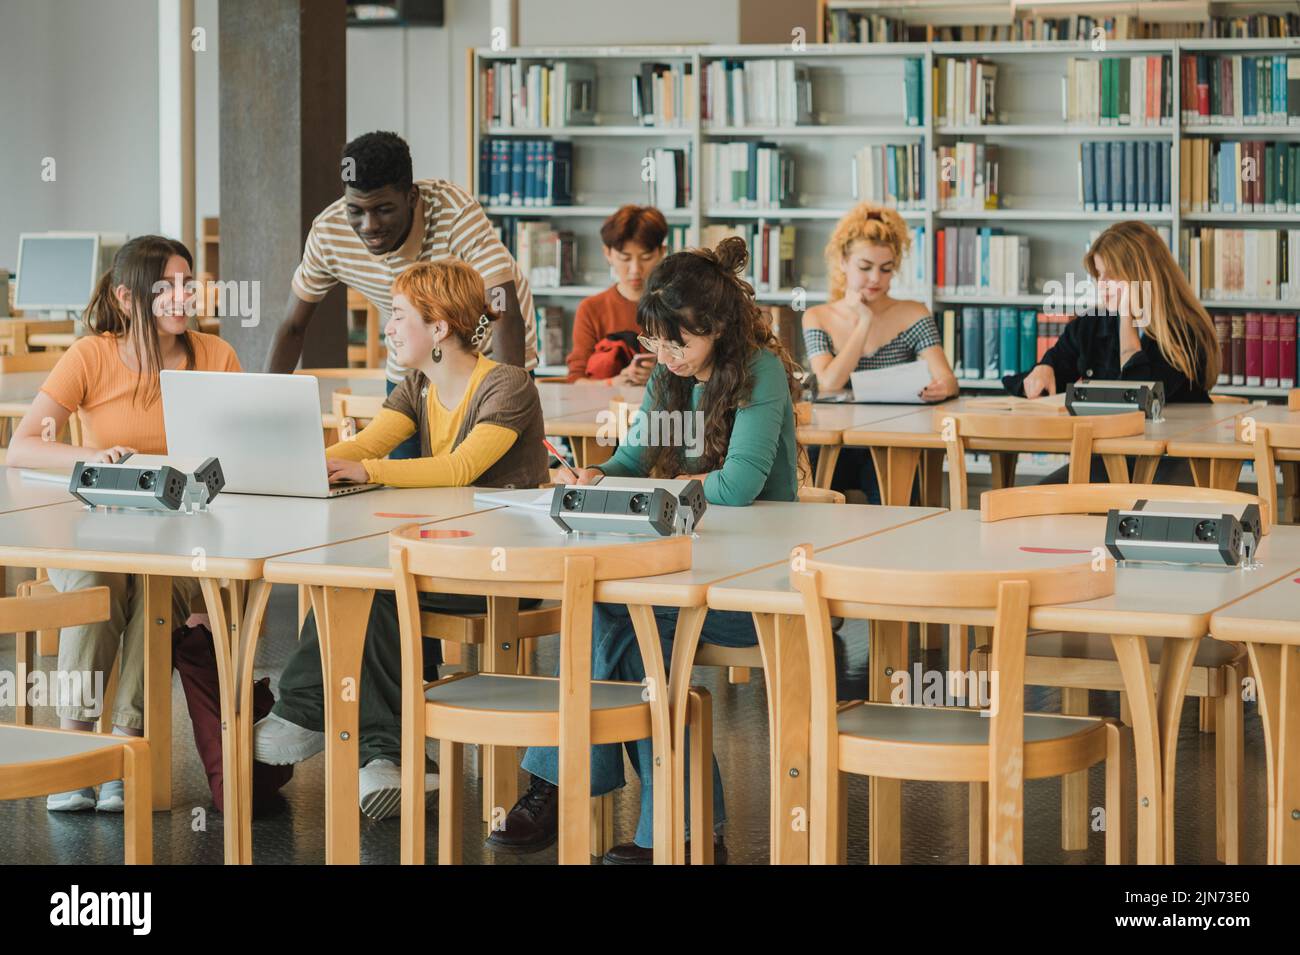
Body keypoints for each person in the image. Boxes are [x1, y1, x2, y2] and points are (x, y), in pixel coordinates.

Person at [488, 236, 801, 864]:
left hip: (758, 582)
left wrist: (644, 490)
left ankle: (555, 784)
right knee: (624, 625)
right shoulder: (669, 370)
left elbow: (738, 486)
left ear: (716, 327)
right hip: (684, 563)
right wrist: (599, 476)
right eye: (654, 340)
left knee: (613, 617)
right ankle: (684, 833)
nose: (663, 356)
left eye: (677, 342)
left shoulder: (760, 369)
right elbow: (633, 455)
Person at [253, 260, 549, 820]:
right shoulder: (418, 386)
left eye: (398, 315)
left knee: (380, 586)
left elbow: (460, 468)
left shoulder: (508, 384)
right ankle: (381, 757)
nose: (387, 328)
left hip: (504, 570)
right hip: (442, 561)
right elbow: (364, 446)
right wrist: (285, 468)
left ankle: (319, 719)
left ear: (439, 328)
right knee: (356, 579)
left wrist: (372, 473)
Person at [6, 235, 241, 812]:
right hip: (96, 535)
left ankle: (123, 750)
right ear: (128, 298)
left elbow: (238, 454)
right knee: (97, 584)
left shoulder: (216, 356)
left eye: (189, 283)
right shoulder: (92, 355)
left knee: (156, 595)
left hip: (182, 538)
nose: (183, 296)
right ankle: (75, 751)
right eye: (166, 287)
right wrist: (90, 457)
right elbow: (24, 445)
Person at [267, 130, 536, 459]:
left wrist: (506, 391)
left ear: (411, 196)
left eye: (383, 209)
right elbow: (293, 327)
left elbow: (503, 308)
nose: (368, 225)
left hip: (490, 347)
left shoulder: (453, 211)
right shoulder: (329, 234)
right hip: (416, 354)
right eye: (356, 210)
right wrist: (265, 406)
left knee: (486, 470)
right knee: (403, 465)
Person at [1010, 220, 1218, 483]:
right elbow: (1044, 372)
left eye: (1112, 275)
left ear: (1142, 276)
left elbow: (1134, 402)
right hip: (1108, 458)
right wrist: (1043, 369)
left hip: (1170, 461)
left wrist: (1126, 320)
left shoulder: (1184, 333)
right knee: (1041, 497)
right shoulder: (1092, 325)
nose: (1102, 284)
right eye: (1099, 274)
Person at [802, 202, 957, 502]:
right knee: (813, 495)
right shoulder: (817, 317)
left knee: (894, 500)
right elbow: (828, 383)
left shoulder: (913, 313)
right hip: (836, 443)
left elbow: (949, 381)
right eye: (865, 267)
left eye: (886, 270)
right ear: (844, 262)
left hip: (892, 441)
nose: (876, 279)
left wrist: (941, 388)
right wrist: (865, 322)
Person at [565, 205, 667, 386]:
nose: (635, 269)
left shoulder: (676, 306)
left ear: (661, 252)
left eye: (645, 257)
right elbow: (576, 380)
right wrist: (614, 383)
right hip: (605, 410)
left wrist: (663, 374)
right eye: (625, 258)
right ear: (608, 253)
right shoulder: (592, 309)